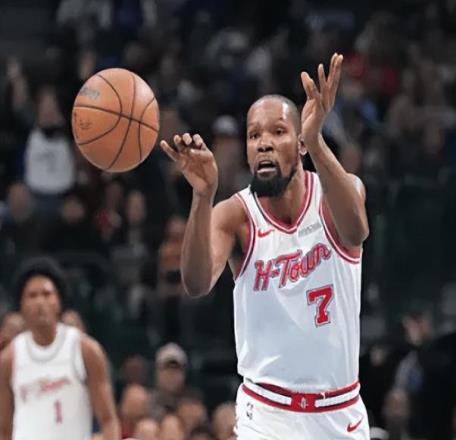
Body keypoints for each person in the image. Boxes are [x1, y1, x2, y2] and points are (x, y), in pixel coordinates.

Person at [160, 52, 370, 438]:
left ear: (300, 143)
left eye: (277, 132)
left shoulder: (336, 194)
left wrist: (317, 141)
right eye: (254, 135)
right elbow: (196, 283)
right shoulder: (235, 215)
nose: (264, 144)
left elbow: (356, 231)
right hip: (267, 411)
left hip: (339, 411)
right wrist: (203, 197)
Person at [0, 257, 120, 440]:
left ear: (59, 301)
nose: (40, 302)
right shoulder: (9, 358)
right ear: (21, 305)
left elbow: (108, 419)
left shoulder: (85, 349)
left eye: (47, 294)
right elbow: (4, 428)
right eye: (32, 295)